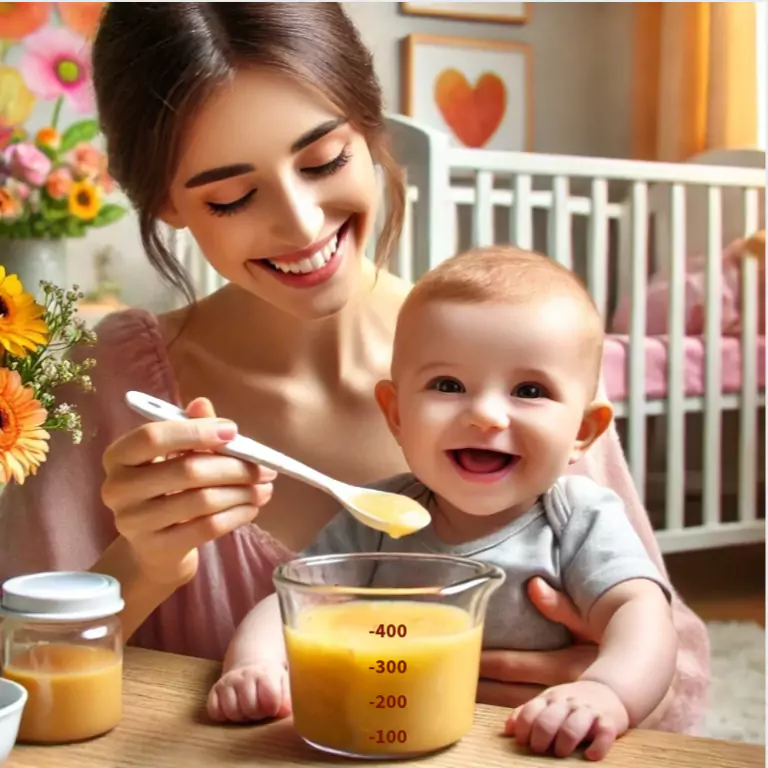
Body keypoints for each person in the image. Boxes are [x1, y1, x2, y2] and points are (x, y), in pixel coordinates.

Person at [0, 3, 708, 734]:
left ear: (371, 130)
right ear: (166, 204)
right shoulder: (98, 384)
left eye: (324, 160)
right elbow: (14, 674)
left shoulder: (526, 358)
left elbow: (675, 670)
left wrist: (604, 681)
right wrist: (145, 565)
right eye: (233, 196)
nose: (303, 225)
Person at [207, 247, 679, 760]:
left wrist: (606, 691)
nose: (485, 416)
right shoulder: (380, 514)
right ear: (397, 413)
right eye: (448, 385)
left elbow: (641, 614)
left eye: (529, 389)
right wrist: (254, 665)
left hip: (523, 745)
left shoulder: (577, 519)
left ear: (582, 432)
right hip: (387, 733)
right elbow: (293, 599)